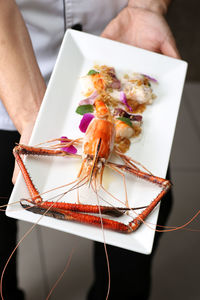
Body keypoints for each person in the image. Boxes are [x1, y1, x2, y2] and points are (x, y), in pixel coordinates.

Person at [0, 0, 179, 299]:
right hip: (9, 65)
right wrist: (36, 119)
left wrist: (148, 6)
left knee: (139, 222)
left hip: (118, 43)